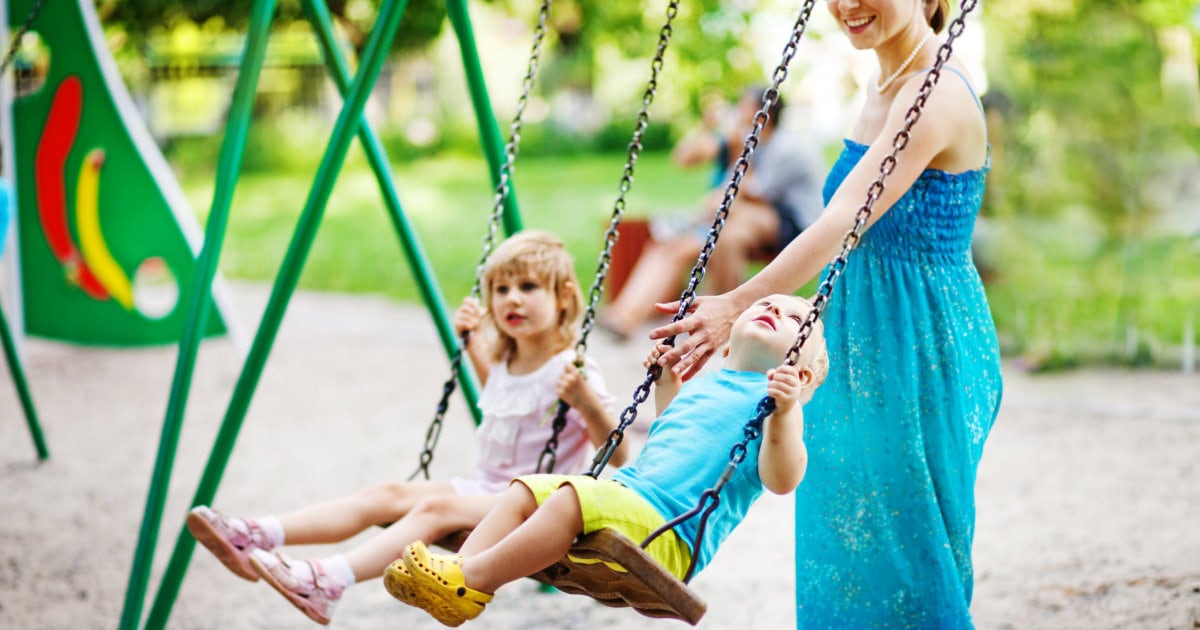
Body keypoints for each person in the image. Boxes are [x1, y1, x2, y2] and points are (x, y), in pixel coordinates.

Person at [646, 1, 1003, 627]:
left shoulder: (936, 91)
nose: (847, 5)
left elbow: (843, 222)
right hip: (852, 329)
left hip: (921, 341)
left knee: (907, 538)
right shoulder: (881, 83)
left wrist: (734, 304)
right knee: (842, 526)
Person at [186, 230, 626, 625]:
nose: (511, 298)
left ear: (565, 297)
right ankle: (255, 535)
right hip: (483, 488)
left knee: (433, 513)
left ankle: (328, 580)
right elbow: (506, 396)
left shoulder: (573, 368)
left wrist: (587, 402)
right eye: (501, 288)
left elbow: (617, 454)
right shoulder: (506, 361)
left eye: (528, 287)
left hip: (527, 507)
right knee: (384, 495)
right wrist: (472, 346)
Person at [382, 294, 829, 627]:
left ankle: (474, 578)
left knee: (572, 496)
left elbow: (783, 478)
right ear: (728, 347)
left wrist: (786, 412)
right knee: (528, 488)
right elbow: (671, 433)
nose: (775, 311)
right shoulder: (709, 384)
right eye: (766, 304)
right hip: (629, 499)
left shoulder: (775, 409)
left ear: (802, 375)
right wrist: (667, 381)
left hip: (667, 531)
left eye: (795, 320)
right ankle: (457, 578)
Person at [597, 87, 825, 341]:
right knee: (669, 247)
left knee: (721, 237)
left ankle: (725, 315)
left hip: (790, 223)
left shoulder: (788, 148)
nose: (737, 113)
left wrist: (707, 210)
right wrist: (707, 127)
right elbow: (686, 161)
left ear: (762, 115)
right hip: (737, 219)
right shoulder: (747, 141)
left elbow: (750, 193)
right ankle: (624, 315)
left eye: (742, 107)